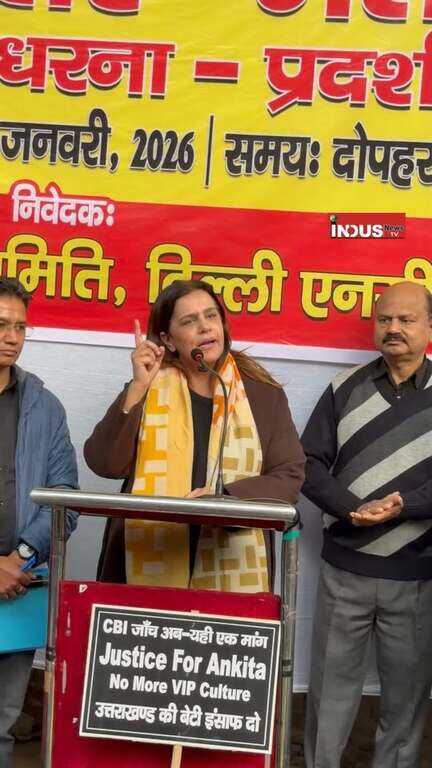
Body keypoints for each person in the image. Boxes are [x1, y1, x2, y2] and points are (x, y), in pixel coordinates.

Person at [85, 279, 305, 590]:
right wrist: (137, 388)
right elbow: (104, 463)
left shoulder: (262, 394)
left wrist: (223, 502)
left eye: (211, 316)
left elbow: (289, 475)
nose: (205, 327)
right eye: (189, 321)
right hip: (145, 555)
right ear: (168, 339)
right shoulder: (148, 387)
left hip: (231, 551)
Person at [301, 280, 432, 768]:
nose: (393, 328)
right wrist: (349, 507)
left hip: (416, 576)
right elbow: (308, 463)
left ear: (430, 327)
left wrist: (406, 506)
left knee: (405, 704)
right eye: (384, 319)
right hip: (344, 573)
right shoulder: (344, 389)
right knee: (329, 701)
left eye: (406, 319)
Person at [0, 277, 78, 768]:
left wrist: (19, 558)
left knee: (3, 723)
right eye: (1, 325)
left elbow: (65, 498)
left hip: (18, 586)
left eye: (21, 327)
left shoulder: (44, 407)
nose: (12, 337)